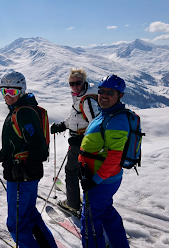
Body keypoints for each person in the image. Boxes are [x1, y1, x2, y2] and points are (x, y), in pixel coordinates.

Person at [0, 71, 57, 248]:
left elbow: (39, 150)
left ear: (22, 91)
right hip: (26, 177)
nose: (8, 96)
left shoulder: (23, 113)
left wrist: (24, 172)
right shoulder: (21, 110)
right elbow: (14, 146)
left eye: (13, 92)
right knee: (30, 215)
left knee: (16, 224)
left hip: (21, 178)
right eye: (4, 92)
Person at [78, 75, 130, 248]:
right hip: (103, 178)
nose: (104, 95)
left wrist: (94, 181)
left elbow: (114, 157)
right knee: (107, 213)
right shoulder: (107, 114)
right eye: (101, 91)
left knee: (90, 224)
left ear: (120, 95)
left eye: (110, 92)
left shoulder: (116, 120)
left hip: (101, 181)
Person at [50, 68, 99, 216]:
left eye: (78, 83)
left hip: (83, 144)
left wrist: (80, 139)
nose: (75, 86)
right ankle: (86, 202)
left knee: (71, 171)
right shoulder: (81, 98)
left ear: (84, 82)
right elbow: (76, 118)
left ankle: (72, 204)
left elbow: (96, 124)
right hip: (80, 142)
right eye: (71, 84)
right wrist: (62, 125)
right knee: (80, 172)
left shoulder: (87, 100)